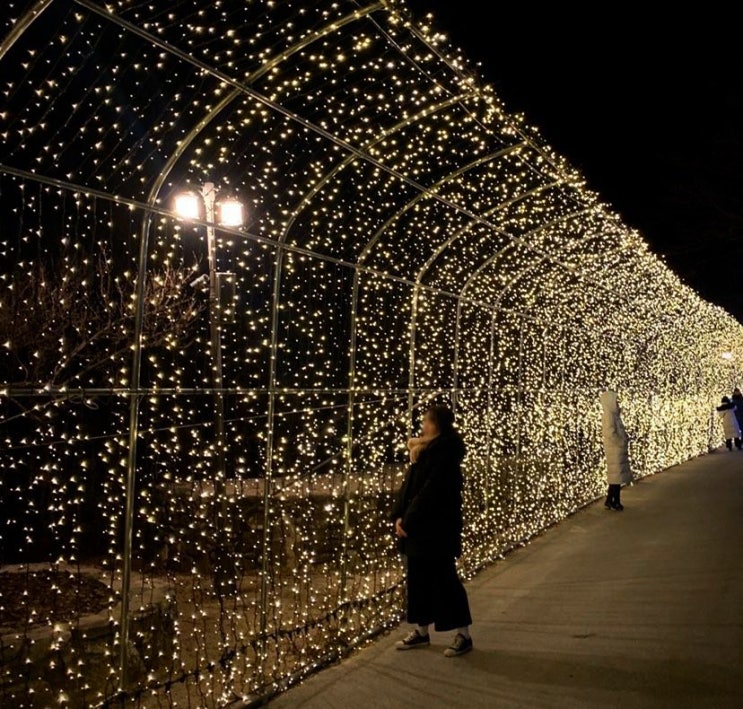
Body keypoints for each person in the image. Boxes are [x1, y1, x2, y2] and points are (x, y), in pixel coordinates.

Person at [389, 404, 473, 657]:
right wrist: (398, 516)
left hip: (437, 529)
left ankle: (464, 635)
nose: (423, 425)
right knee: (418, 581)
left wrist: (408, 520)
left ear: (439, 425)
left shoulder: (445, 453)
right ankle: (422, 632)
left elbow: (431, 492)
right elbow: (409, 488)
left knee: (445, 581)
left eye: (428, 421)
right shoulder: (422, 450)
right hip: (417, 528)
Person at [599, 389, 632, 511]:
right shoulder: (609, 415)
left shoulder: (613, 414)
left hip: (616, 449)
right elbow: (609, 432)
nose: (617, 402)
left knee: (616, 477)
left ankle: (610, 500)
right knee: (616, 477)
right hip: (614, 449)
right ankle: (615, 501)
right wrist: (620, 442)